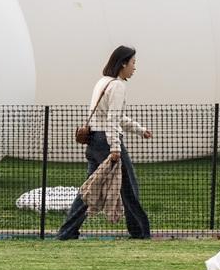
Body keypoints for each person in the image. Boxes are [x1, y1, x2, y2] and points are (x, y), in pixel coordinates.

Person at [56, 45, 153, 240]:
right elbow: (112, 119)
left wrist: (139, 130)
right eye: (133, 63)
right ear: (123, 63)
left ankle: (67, 232)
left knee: (89, 189)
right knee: (129, 188)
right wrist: (115, 149)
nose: (134, 68)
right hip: (107, 143)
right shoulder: (117, 86)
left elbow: (113, 117)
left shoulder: (102, 82)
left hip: (94, 141)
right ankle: (140, 233)